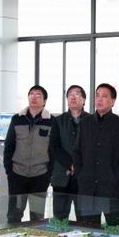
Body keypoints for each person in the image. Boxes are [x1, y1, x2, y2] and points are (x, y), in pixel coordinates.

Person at [73, 84, 119, 229]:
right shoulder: (85, 123)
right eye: (97, 95)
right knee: (88, 231)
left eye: (104, 96)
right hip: (88, 188)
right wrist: (80, 175)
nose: (99, 99)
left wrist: (117, 177)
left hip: (111, 188)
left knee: (115, 231)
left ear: (113, 101)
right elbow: (77, 152)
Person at [3, 85, 52, 223]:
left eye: (38, 95)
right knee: (14, 214)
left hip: (40, 176)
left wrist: (49, 174)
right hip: (18, 176)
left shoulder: (51, 121)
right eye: (31, 94)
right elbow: (9, 145)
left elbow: (53, 149)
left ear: (44, 101)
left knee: (37, 216)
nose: (34, 97)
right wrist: (9, 170)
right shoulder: (17, 119)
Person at [49, 85, 89, 222]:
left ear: (84, 100)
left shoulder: (91, 121)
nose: (73, 97)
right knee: (59, 219)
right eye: (70, 94)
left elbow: (93, 148)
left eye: (77, 94)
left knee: (85, 220)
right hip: (62, 176)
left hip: (84, 178)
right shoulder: (58, 121)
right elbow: (54, 147)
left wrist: (77, 165)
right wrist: (70, 164)